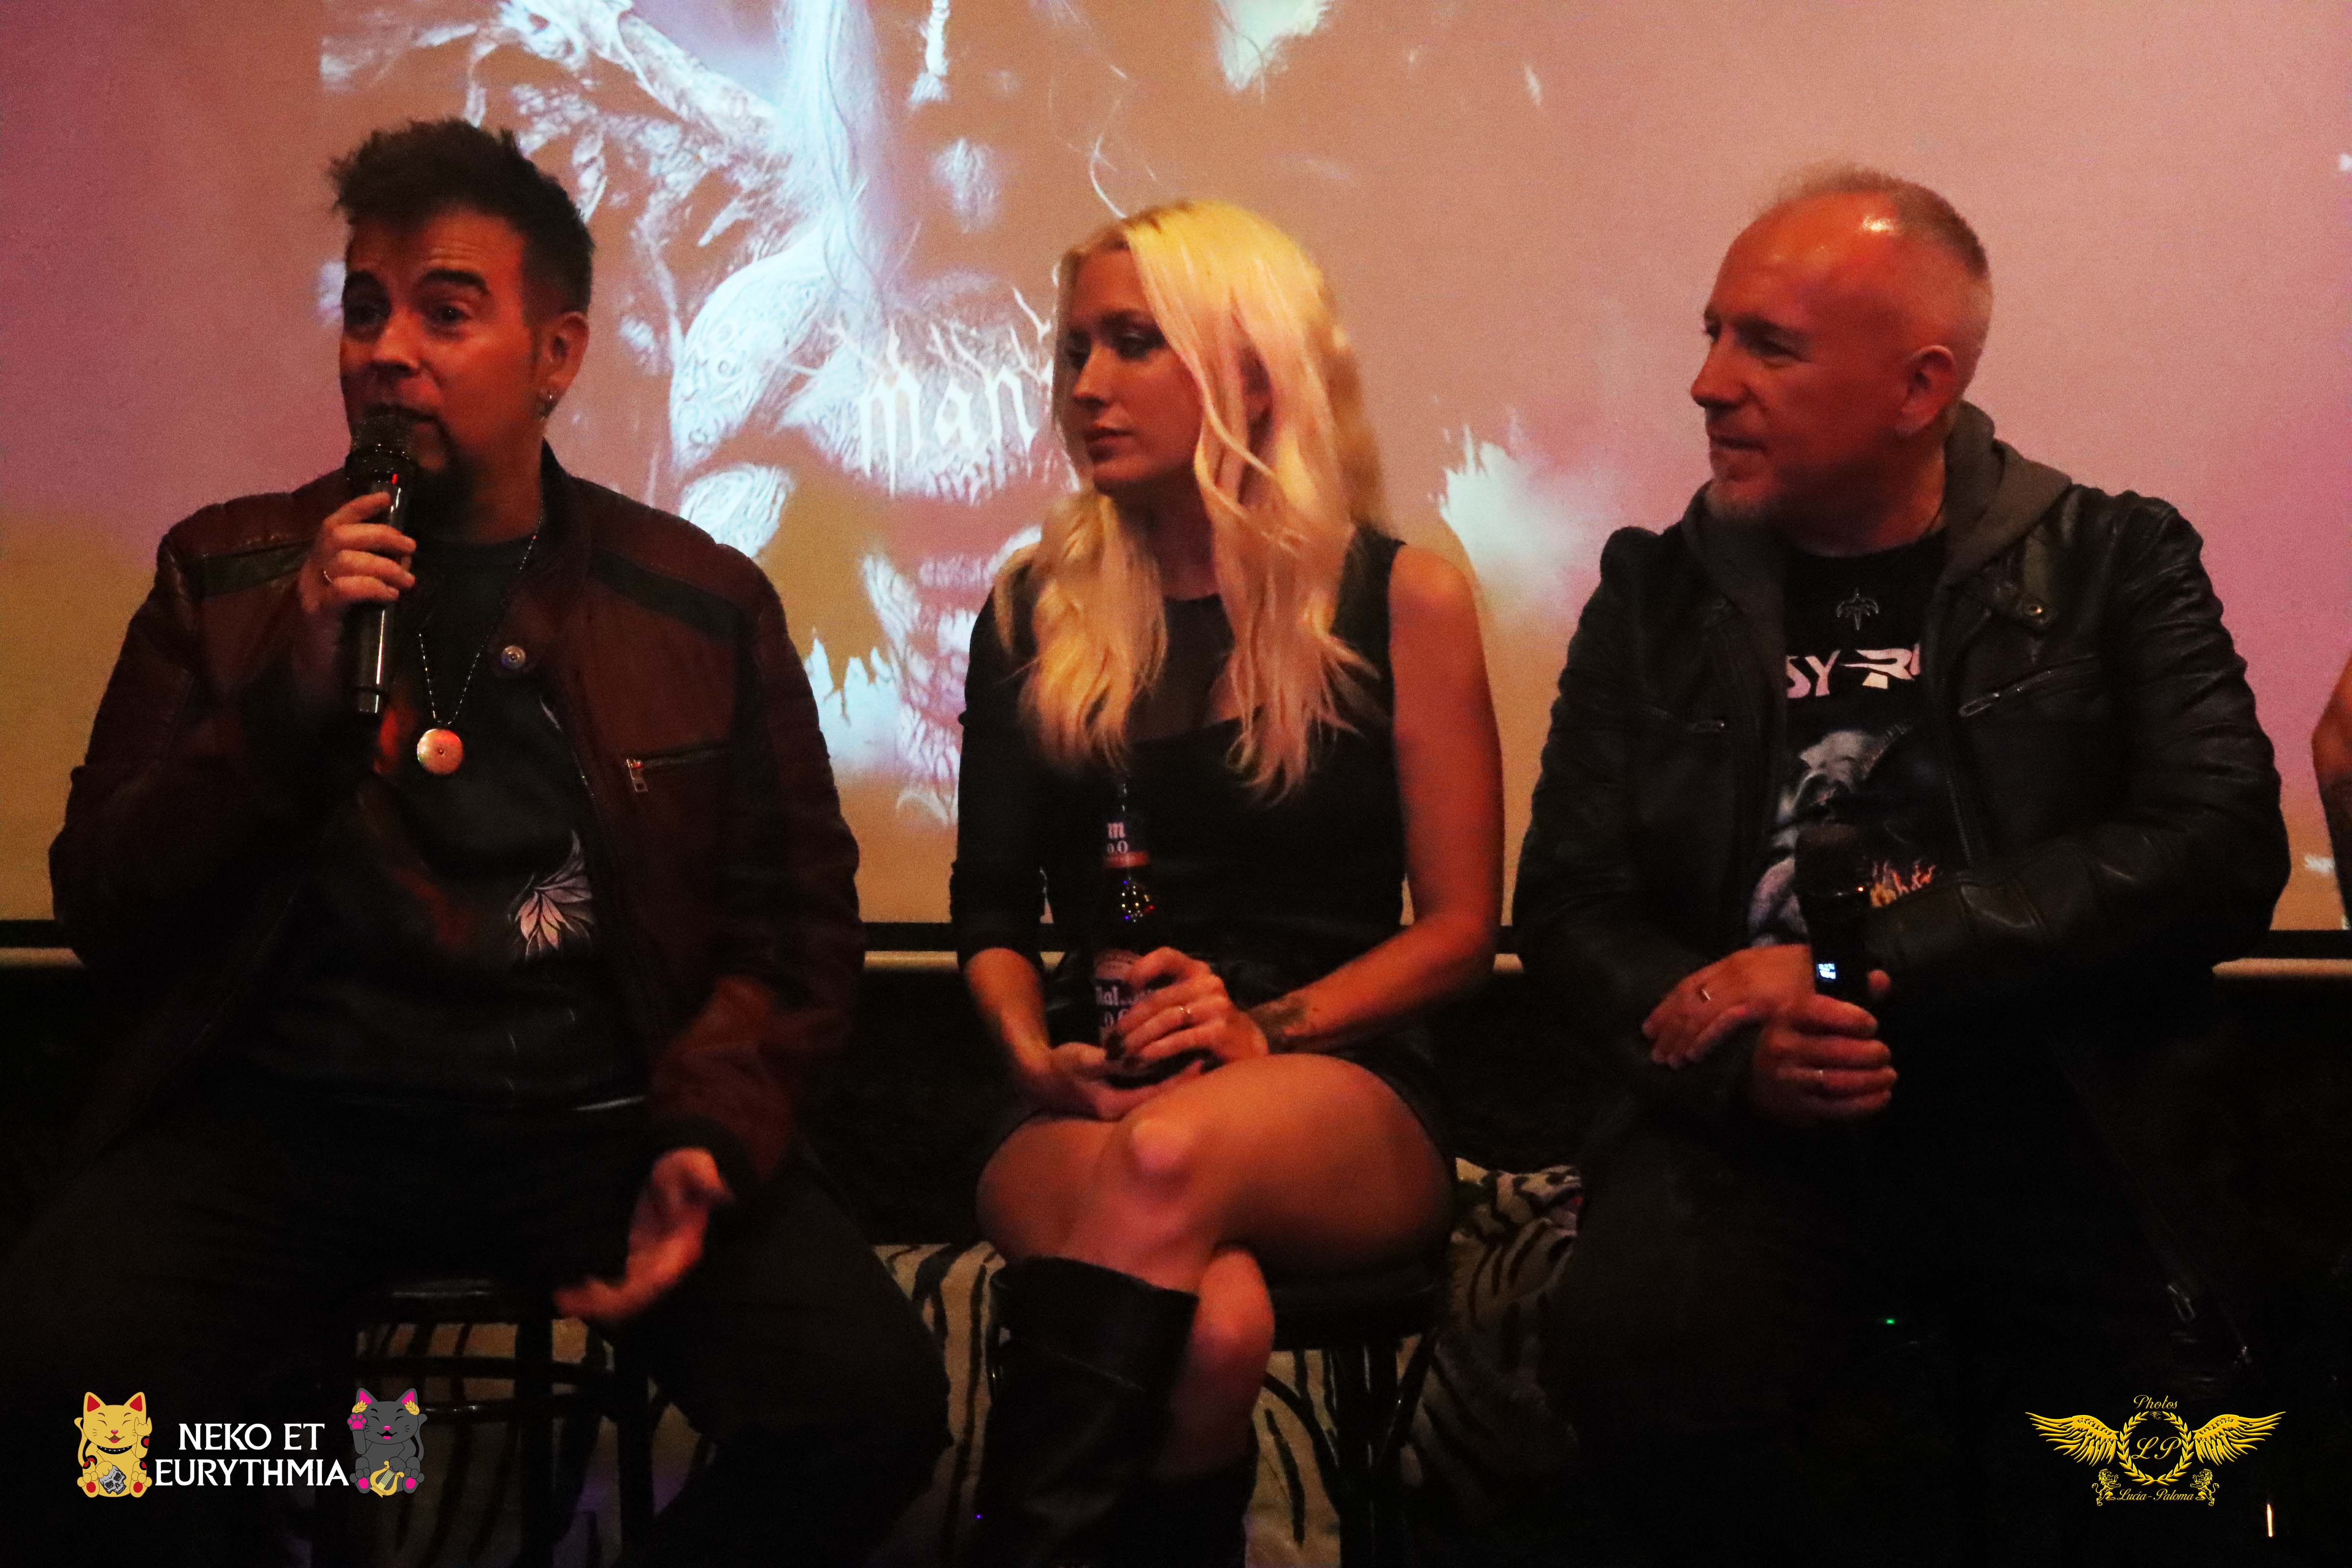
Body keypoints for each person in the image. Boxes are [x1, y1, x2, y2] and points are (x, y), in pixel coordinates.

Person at [0, 120, 945, 1564]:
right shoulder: (230, 574)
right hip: (285, 1121)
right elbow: (104, 903)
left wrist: (710, 1130)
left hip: (592, 1122)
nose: (388, 352)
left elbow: (797, 930)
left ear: (557, 355)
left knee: (865, 1405)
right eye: (364, 309)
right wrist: (289, 692)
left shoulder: (697, 604)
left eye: (446, 314)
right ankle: (290, 1503)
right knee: (55, 1402)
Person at [1515, 167, 2289, 1566]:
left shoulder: (2112, 559)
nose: (1708, 382)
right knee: (1643, 1366)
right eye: (1713, 333)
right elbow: (1570, 910)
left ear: (1920, 386)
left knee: (2153, 1480)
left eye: (1768, 345)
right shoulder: (1653, 593)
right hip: (1751, 1138)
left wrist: (1853, 964)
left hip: (2063, 1119)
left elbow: (2220, 843)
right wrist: (1739, 1053)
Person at [950, 199, 1502, 1567]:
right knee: (1216, 1325)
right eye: (1075, 348)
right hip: (1092, 1076)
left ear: (1253, 374)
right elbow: (990, 909)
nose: (1086, 384)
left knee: (1169, 1156)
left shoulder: (1401, 599)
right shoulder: (1029, 611)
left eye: (1134, 343)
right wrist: (1031, 1056)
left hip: (1336, 1073)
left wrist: (1265, 1030)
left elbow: (1458, 932)